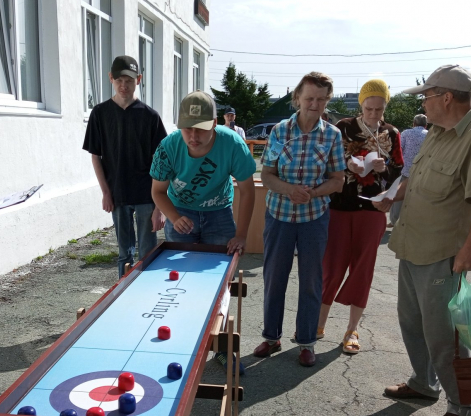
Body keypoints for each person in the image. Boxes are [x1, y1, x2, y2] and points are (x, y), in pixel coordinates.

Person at [375, 65, 471, 416]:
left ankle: (464, 407)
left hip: (445, 254)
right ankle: (422, 383)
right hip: (413, 245)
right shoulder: (437, 132)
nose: (424, 104)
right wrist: (389, 196)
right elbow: (412, 176)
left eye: (427, 97)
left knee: (447, 336)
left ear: (446, 97)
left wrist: (470, 251)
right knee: (413, 325)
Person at [150, 91, 256, 374]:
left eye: (201, 130)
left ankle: (221, 348)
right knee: (180, 283)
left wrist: (242, 234)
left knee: (218, 284)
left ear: (214, 124)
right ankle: (183, 344)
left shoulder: (232, 143)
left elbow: (247, 191)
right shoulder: (168, 147)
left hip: (219, 213)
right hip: (180, 212)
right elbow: (158, 192)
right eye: (187, 129)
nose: (193, 137)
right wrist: (174, 216)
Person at [254, 72, 345, 367]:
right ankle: (271, 337)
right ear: (297, 99)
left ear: (327, 101)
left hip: (314, 218)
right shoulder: (279, 131)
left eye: (321, 99)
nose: (314, 104)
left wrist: (313, 193)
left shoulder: (332, 135)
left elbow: (338, 180)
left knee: (310, 281)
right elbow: (266, 175)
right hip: (279, 215)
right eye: (309, 98)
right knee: (274, 278)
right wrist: (290, 190)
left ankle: (306, 341)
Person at [318, 80, 404, 355]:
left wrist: (387, 180)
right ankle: (316, 325)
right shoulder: (343, 127)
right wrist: (348, 162)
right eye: (369, 108)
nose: (374, 114)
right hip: (340, 207)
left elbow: (400, 173)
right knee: (331, 267)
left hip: (373, 210)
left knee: (363, 269)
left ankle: (352, 330)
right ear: (361, 104)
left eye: (379, 109)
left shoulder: (392, 132)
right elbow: (326, 159)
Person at [83, 55, 168, 278]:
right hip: (117, 195)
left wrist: (160, 207)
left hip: (146, 197)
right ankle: (124, 295)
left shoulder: (150, 116)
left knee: (148, 253)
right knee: (124, 254)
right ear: (111, 78)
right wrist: (105, 193)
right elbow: (96, 157)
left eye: (129, 80)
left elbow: (162, 163)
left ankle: (148, 294)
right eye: (119, 79)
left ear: (138, 80)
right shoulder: (100, 114)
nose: (124, 85)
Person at [389, 114, 428, 225]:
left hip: (405, 169)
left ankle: (394, 220)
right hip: (422, 171)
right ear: (426, 125)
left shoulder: (406, 133)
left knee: (398, 196)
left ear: (413, 123)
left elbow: (399, 150)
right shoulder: (430, 135)